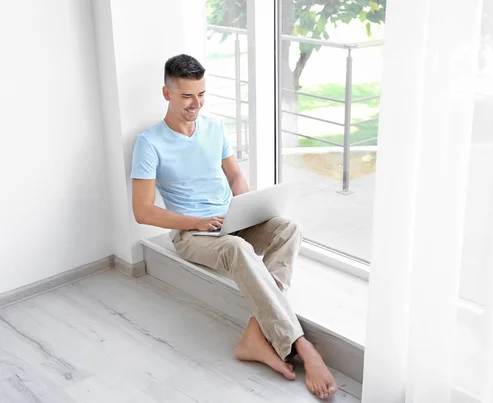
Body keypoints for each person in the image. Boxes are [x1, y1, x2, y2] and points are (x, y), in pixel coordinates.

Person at [130, 54, 338, 400]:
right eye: (186, 97)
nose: (196, 104)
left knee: (288, 228)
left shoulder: (214, 128)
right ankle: (300, 345)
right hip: (192, 234)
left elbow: (235, 175)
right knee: (238, 249)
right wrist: (195, 222)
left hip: (230, 221)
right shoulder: (149, 143)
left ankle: (254, 336)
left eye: (201, 95)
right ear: (167, 94)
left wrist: (245, 209)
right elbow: (143, 211)